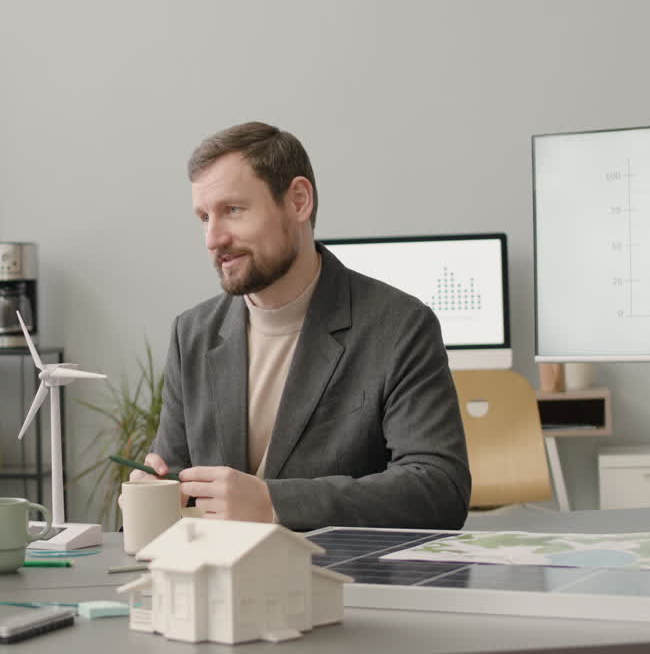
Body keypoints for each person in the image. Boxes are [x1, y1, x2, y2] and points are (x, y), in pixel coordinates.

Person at [132, 122, 471, 531]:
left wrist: (273, 503)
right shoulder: (192, 334)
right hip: (217, 569)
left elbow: (439, 489)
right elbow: (175, 477)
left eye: (233, 210)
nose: (213, 238)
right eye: (204, 217)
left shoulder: (400, 327)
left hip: (342, 569)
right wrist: (153, 496)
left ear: (298, 201)